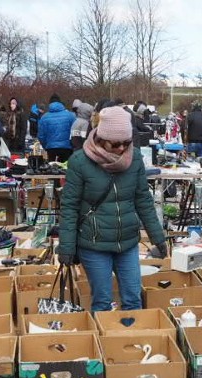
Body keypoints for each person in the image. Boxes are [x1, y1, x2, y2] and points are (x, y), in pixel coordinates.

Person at [58, 106, 168, 312]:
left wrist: (157, 236)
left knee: (133, 298)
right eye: (115, 144)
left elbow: (143, 199)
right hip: (93, 243)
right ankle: (103, 342)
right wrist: (66, 247)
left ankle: (129, 341)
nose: (121, 148)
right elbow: (70, 206)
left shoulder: (134, 158)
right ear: (102, 137)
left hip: (127, 242)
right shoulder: (80, 162)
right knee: (102, 301)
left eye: (126, 143)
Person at [38, 94, 76, 162]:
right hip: (66, 147)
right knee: (65, 168)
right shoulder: (70, 116)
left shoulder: (44, 117)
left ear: (50, 103)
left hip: (51, 148)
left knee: (51, 169)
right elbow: (74, 132)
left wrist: (46, 146)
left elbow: (41, 135)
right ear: (60, 102)